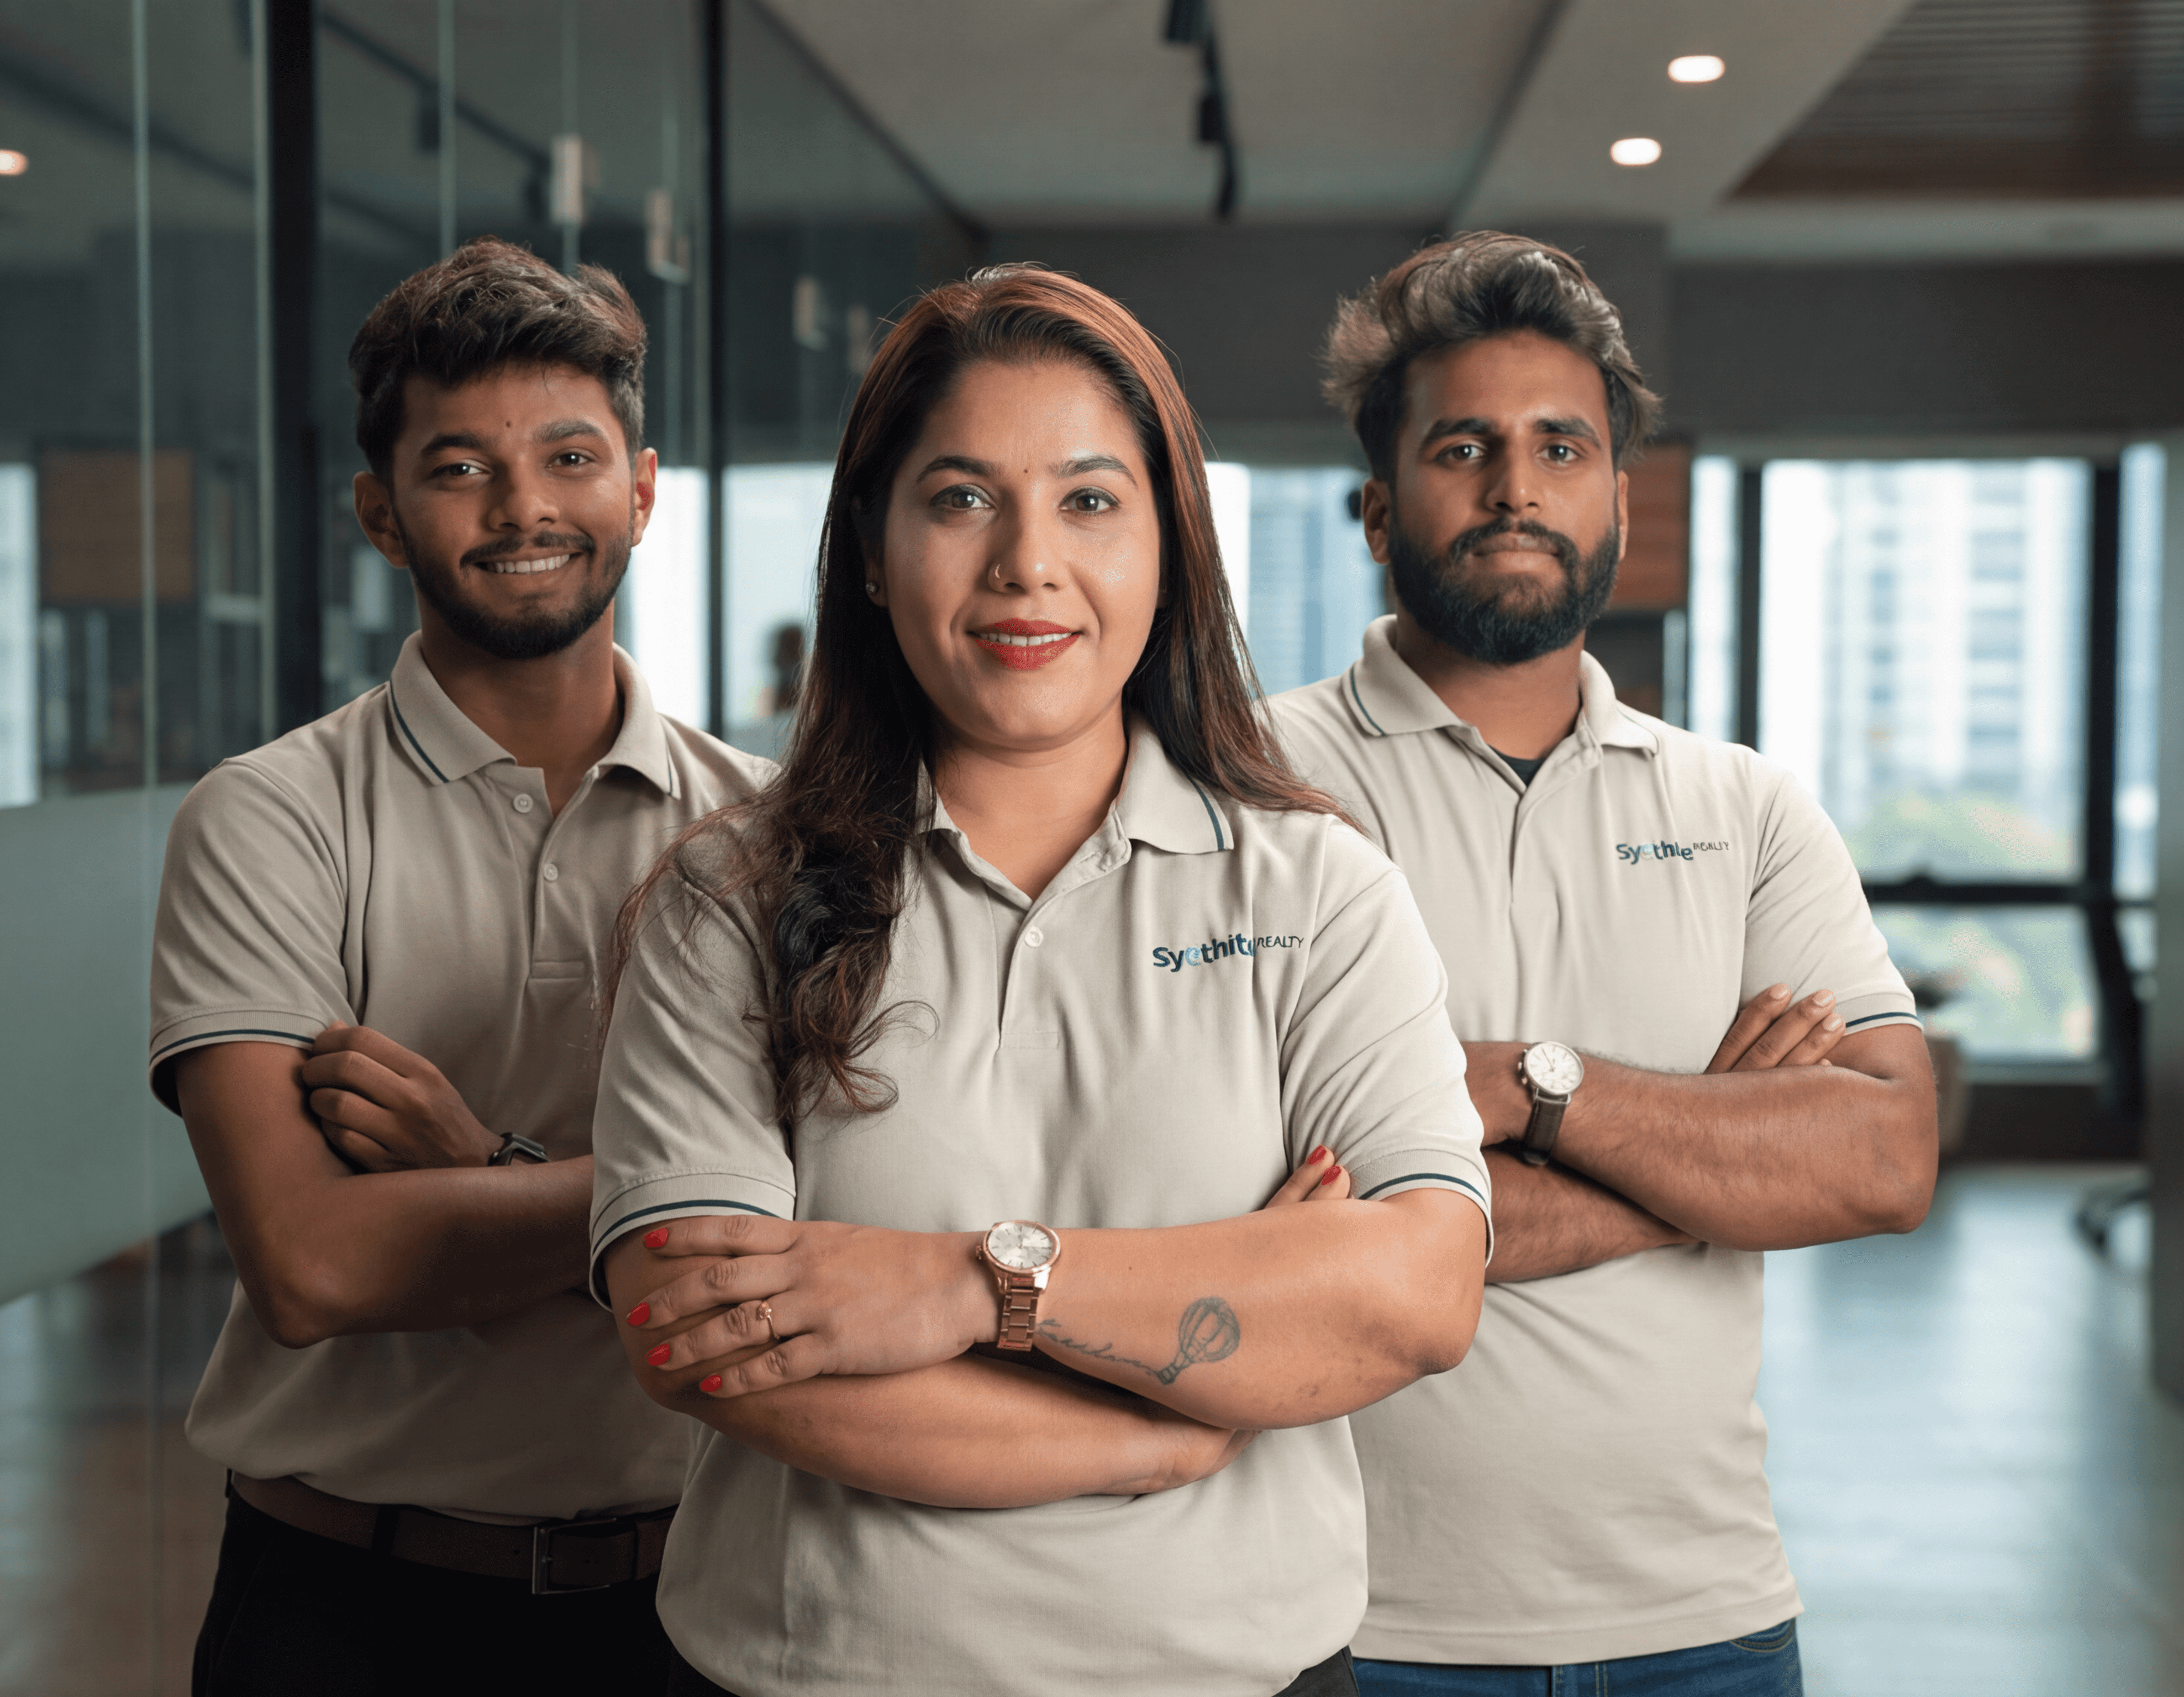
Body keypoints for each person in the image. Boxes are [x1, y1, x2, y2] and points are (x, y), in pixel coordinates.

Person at [587, 264, 1494, 1697]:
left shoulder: (1316, 892)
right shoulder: (728, 901)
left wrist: (974, 1286)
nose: (1026, 565)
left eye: (1089, 500)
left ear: (1170, 548)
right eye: (959, 498)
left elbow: (1415, 1296)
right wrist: (1171, 1421)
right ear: (874, 554)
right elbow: (697, 1337)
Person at [1264, 233, 1940, 1696]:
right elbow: (1275, 1226)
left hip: (1707, 1625)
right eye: (1465, 447)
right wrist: (1711, 1157)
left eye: (1562, 447)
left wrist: (1526, 1086)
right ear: (1378, 507)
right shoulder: (1254, 790)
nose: (1519, 487)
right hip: (1348, 1627)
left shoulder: (1742, 804)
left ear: (1617, 500)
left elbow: (1884, 1157)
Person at [149, 238, 770, 1695]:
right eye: (458, 468)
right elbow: (308, 1264)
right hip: (350, 1609)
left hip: (696, 1603)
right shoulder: (271, 817)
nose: (524, 508)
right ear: (380, 512)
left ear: (643, 486)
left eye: (569, 454)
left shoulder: (772, 831)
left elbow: (822, 1232)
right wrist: (684, 1198)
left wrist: (484, 1170)